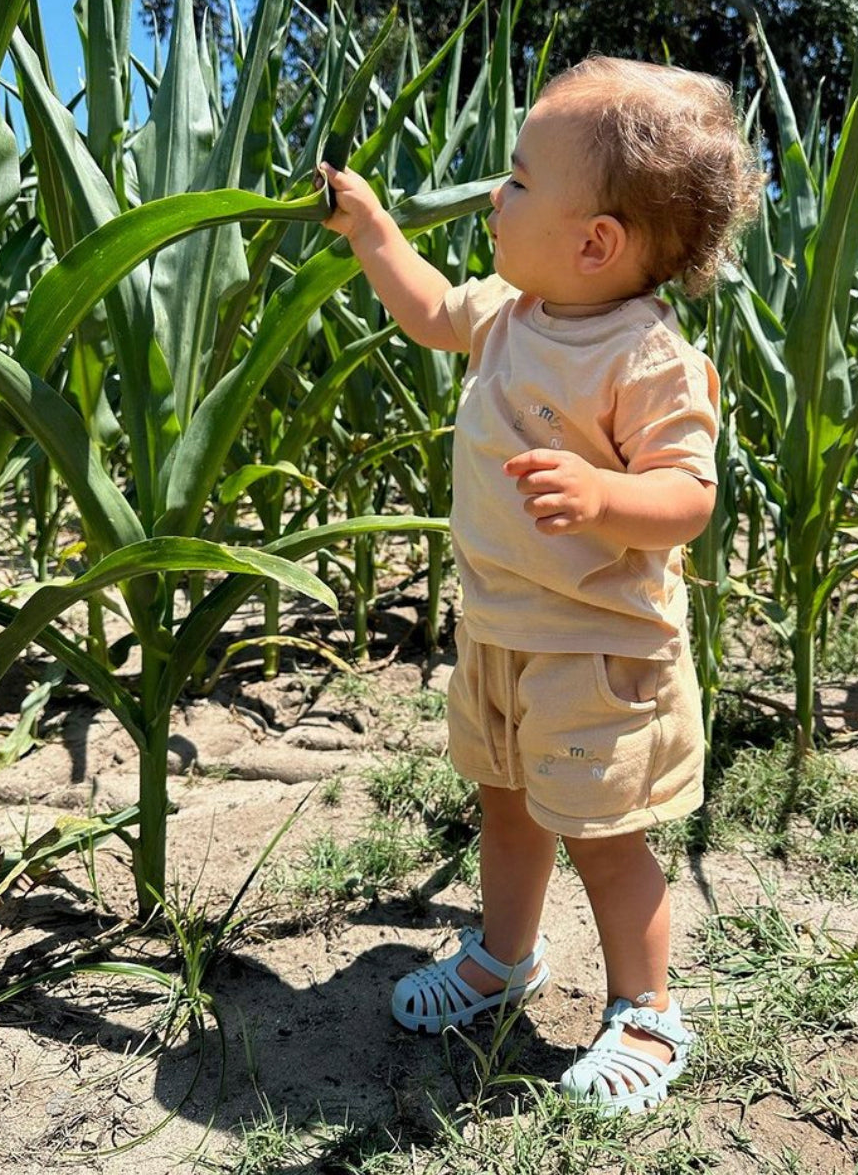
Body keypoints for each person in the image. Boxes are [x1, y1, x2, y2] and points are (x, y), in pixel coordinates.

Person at [320, 55, 760, 1113]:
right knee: (507, 808)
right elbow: (428, 311)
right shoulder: (510, 311)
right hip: (503, 632)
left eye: (516, 181)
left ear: (595, 241)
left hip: (600, 650)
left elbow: (689, 498)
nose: (492, 196)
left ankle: (648, 1011)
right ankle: (502, 958)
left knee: (609, 839)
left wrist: (607, 496)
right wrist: (374, 233)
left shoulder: (646, 357)